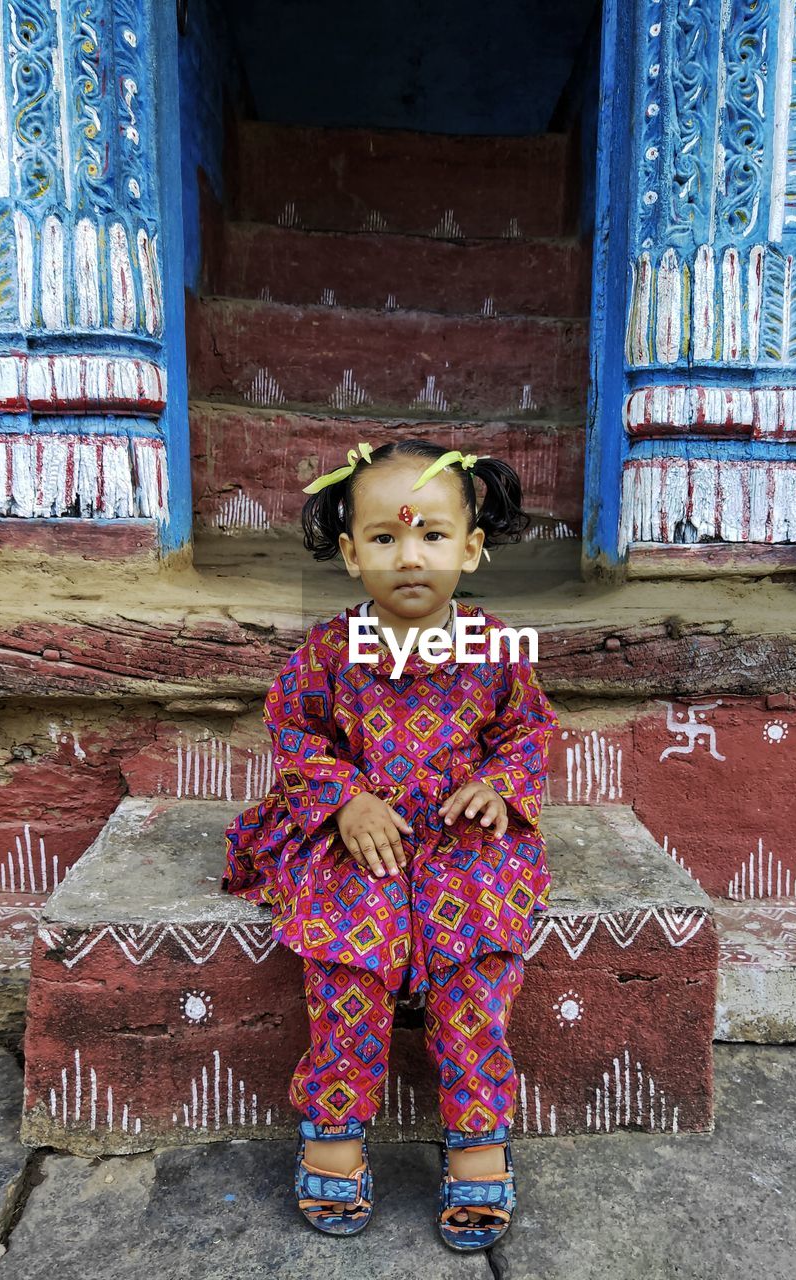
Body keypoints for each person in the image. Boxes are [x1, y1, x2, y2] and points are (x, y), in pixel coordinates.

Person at [221, 438, 559, 1251]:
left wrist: (501, 787)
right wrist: (343, 801)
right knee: (347, 953)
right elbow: (294, 732)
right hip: (356, 834)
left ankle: (477, 1135)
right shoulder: (329, 654)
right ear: (348, 553)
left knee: (478, 959)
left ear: (472, 548)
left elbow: (529, 732)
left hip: (457, 838)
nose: (410, 555)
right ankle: (334, 1126)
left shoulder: (496, 650)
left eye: (433, 535)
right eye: (384, 537)